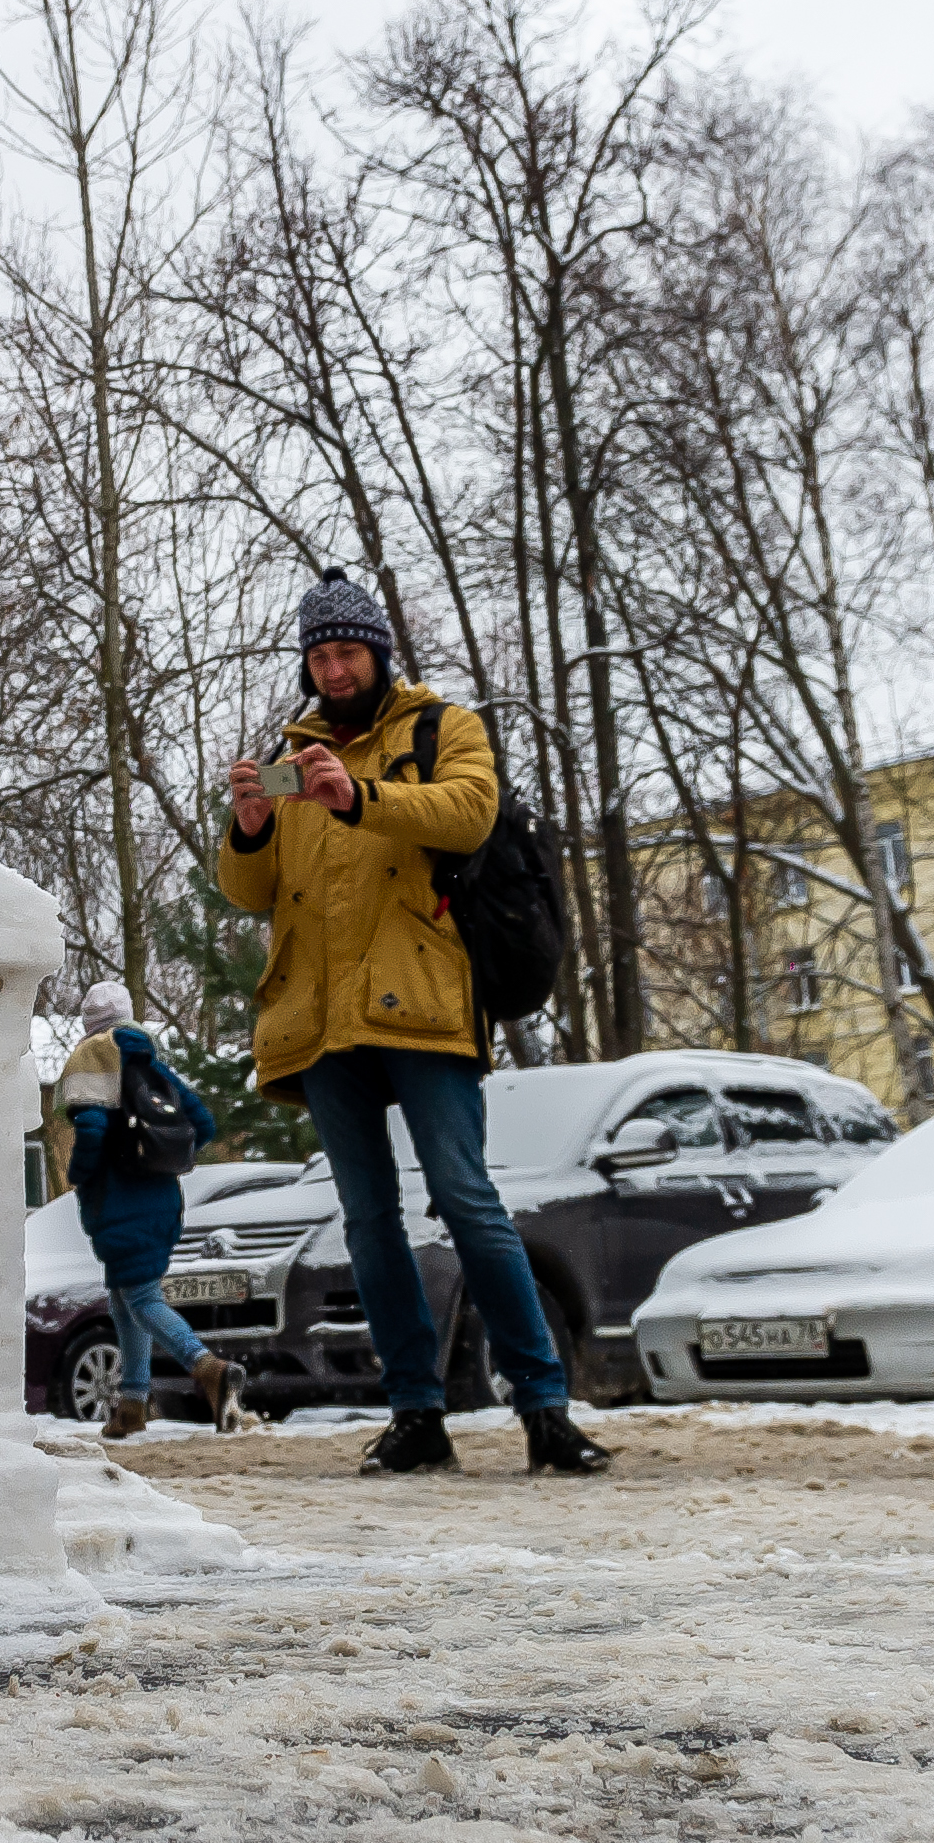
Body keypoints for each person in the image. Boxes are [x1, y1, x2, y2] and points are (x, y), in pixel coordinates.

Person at [219, 570, 610, 1477]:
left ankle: (545, 1406)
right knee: (367, 1219)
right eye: (319, 655)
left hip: (426, 1002)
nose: (334, 668)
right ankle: (415, 1413)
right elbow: (251, 890)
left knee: (468, 1201)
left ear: (379, 654)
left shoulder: (443, 728)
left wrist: (359, 798)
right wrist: (247, 827)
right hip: (322, 1022)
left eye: (347, 651)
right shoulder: (290, 748)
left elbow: (471, 815)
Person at [58, 981, 239, 1441]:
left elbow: (93, 1128)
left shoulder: (93, 1056)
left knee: (141, 1299)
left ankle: (207, 1367)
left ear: (87, 1023)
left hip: (120, 1200)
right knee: (124, 1299)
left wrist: (80, 1174)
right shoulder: (150, 1062)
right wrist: (160, 1157)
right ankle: (133, 1403)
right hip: (162, 1199)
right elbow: (204, 1123)